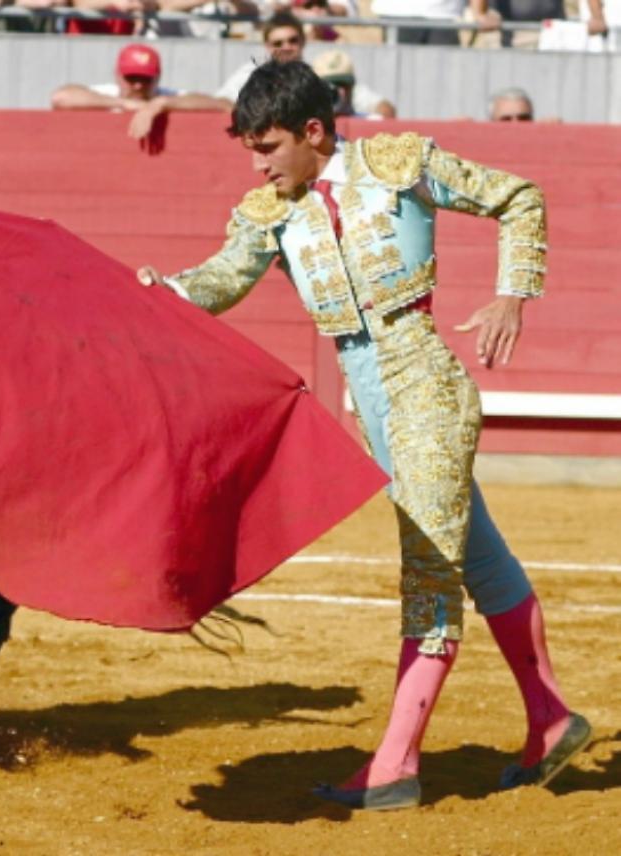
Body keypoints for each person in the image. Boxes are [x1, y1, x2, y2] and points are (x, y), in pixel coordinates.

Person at [138, 60, 590, 810]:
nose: (258, 164)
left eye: (269, 146)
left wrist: (512, 295)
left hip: (425, 386)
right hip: (371, 399)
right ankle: (550, 720)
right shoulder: (271, 210)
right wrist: (167, 294)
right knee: (476, 555)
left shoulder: (398, 165)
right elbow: (223, 278)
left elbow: (519, 197)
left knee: (429, 574)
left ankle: (395, 763)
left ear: (314, 132)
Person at [215, 11, 396, 119]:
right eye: (278, 43)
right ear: (267, 46)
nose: (286, 47)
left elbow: (383, 108)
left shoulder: (321, 72)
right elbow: (221, 102)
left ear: (303, 41)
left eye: (292, 40)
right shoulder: (252, 74)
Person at [50, 43, 226, 150]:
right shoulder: (108, 93)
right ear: (118, 75)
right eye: (132, 78)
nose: (138, 86)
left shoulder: (165, 97)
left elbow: (224, 105)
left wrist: (161, 104)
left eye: (145, 79)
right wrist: (124, 103)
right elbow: (60, 97)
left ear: (157, 77)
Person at [371, 0, 501, 45]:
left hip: (446, 17)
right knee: (397, 78)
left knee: (446, 79)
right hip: (396, 13)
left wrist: (479, 13)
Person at [312, 48, 394, 118]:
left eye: (343, 84)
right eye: (327, 86)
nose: (336, 91)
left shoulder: (355, 95)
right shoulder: (309, 98)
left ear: (351, 86)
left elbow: (387, 111)